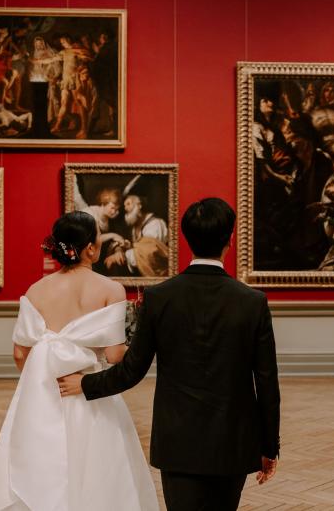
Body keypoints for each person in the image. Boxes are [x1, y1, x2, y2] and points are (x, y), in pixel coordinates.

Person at [58, 197, 281, 511]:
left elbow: (132, 369)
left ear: (186, 239)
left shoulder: (159, 298)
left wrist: (86, 384)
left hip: (178, 440)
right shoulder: (252, 302)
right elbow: (267, 382)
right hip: (233, 440)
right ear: (229, 241)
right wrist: (269, 446)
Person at [0, 211, 158, 510]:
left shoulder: (36, 290)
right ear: (90, 248)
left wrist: (42, 379)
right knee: (98, 472)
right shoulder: (110, 289)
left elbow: (20, 353)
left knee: (41, 466)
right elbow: (114, 355)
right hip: (92, 395)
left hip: (47, 396)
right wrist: (142, 343)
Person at [104, 194, 169, 277]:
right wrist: (120, 249)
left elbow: (148, 252)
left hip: (160, 274)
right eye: (124, 206)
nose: (125, 208)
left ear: (139, 205)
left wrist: (123, 256)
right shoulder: (134, 227)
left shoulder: (155, 224)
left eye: (128, 204)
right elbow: (136, 246)